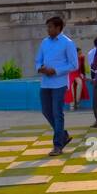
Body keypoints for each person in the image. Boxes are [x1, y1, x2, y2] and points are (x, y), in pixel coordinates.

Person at [35, 16, 79, 155]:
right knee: (46, 111)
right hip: (45, 83)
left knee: (57, 113)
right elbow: (38, 60)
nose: (48, 30)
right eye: (47, 27)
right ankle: (63, 134)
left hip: (59, 83)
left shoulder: (67, 43)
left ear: (58, 28)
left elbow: (74, 64)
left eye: (51, 27)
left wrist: (56, 70)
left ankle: (58, 145)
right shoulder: (44, 42)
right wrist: (40, 68)